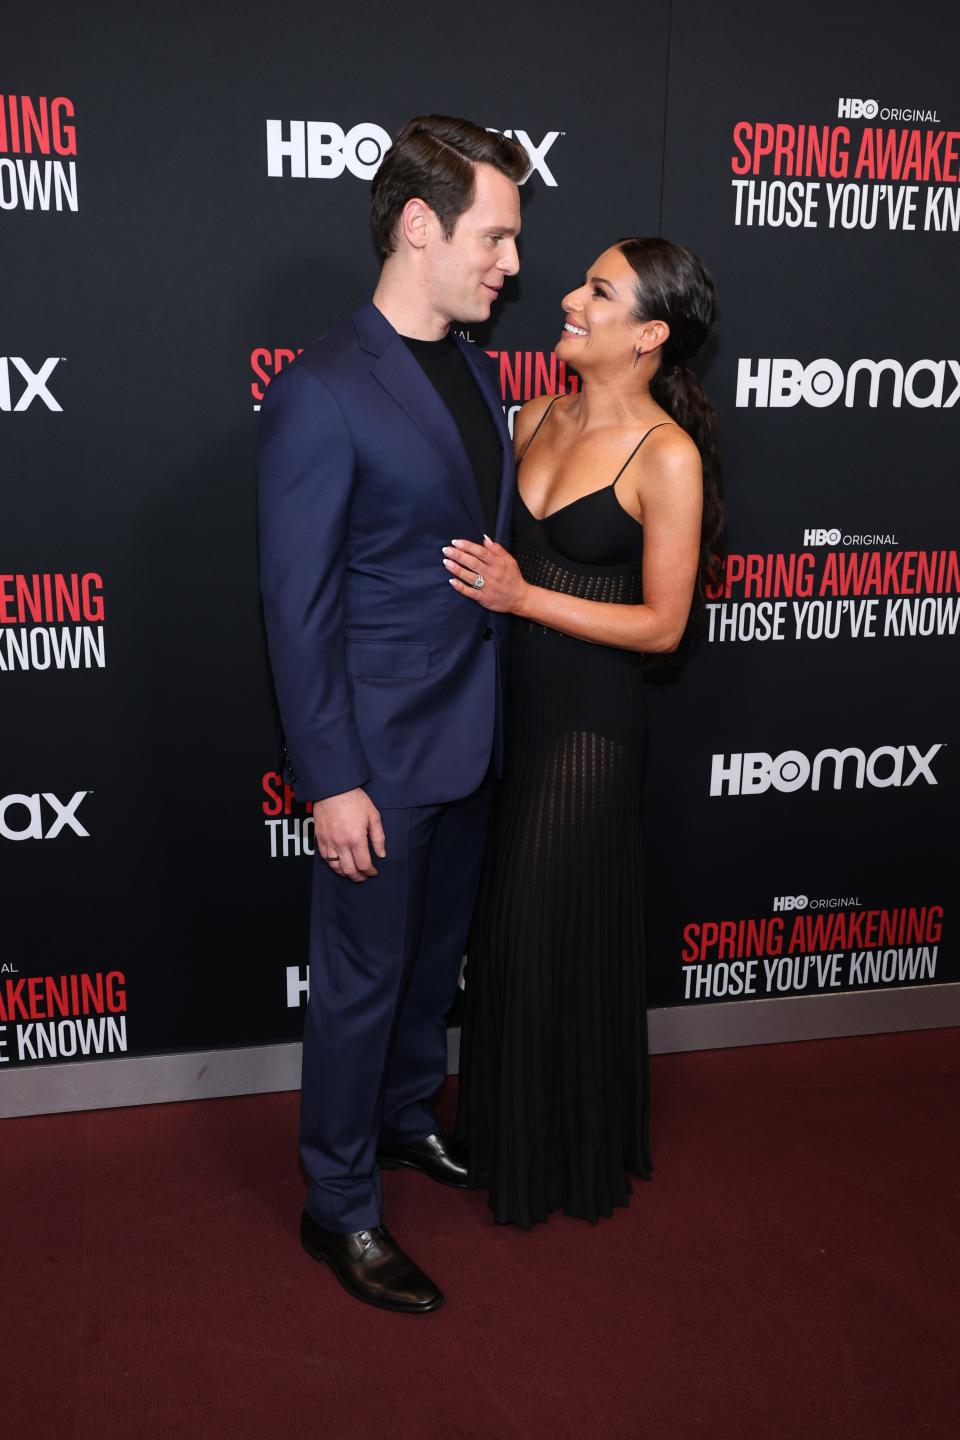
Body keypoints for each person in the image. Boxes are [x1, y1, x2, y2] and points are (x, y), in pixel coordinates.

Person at [257, 115, 528, 1309]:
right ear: (421, 227)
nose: (512, 265)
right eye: (497, 236)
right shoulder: (322, 391)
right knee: (360, 982)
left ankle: (410, 1117)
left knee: (431, 966)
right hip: (374, 752)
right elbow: (297, 605)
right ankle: (340, 1206)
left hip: (472, 731)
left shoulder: (477, 367)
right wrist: (332, 778)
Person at [449, 236, 724, 1228]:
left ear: (650, 334)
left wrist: (525, 598)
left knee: (534, 924)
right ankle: (511, 1129)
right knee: (508, 936)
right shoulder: (525, 415)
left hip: (590, 737)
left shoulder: (668, 456)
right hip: (504, 720)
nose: (566, 297)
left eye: (599, 292)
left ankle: (551, 1157)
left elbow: (663, 627)